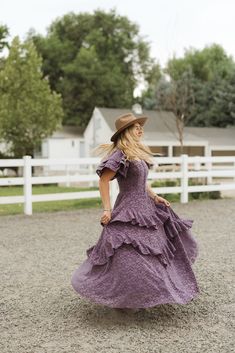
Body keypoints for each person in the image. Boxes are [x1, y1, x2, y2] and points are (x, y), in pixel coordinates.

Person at [71, 112, 200, 311]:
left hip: (146, 209)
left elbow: (141, 182)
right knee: (127, 255)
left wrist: (155, 196)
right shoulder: (120, 155)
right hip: (129, 209)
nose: (140, 129)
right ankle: (122, 297)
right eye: (136, 127)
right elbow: (103, 180)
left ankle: (151, 292)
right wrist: (107, 209)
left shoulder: (136, 154)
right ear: (126, 132)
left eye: (141, 126)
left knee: (153, 252)